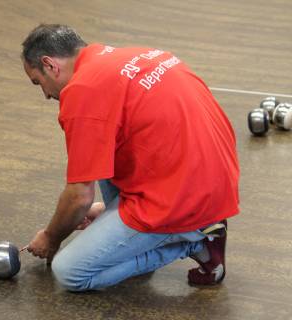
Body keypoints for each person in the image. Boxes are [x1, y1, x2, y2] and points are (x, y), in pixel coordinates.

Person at [22, 24, 239, 291]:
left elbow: (79, 196)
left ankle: (194, 241)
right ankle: (157, 228)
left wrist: (51, 237)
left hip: (185, 199)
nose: (45, 94)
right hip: (216, 180)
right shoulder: (135, 55)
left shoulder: (82, 91)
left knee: (70, 272)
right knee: (109, 144)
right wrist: (106, 212)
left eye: (37, 82)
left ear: (50, 64)